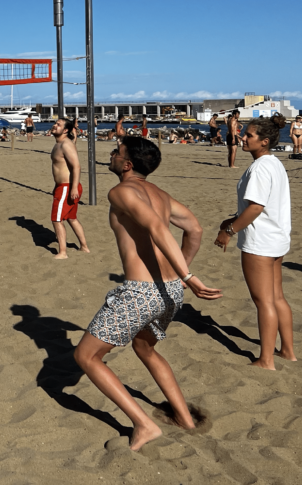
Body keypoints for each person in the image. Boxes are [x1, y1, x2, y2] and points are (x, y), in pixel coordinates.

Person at [74, 137, 221, 451]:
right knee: (145, 348)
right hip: (169, 293)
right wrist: (179, 276)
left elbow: (156, 226)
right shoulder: (160, 194)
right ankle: (184, 417)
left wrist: (188, 275)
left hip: (142, 292)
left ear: (127, 164)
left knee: (85, 356)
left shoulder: (121, 191)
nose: (111, 155)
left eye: (117, 152)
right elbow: (194, 229)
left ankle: (144, 424)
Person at [214, 115, 294, 370]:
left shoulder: (260, 167)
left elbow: (256, 208)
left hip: (261, 241)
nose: (243, 138)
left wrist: (229, 230)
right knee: (277, 297)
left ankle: (266, 360)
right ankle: (288, 352)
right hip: (277, 237)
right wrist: (233, 218)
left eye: (249, 135)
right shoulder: (274, 163)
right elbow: (260, 205)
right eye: (244, 134)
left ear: (265, 141)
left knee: (264, 302)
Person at [49, 117, 90, 259]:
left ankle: (63, 252)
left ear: (65, 130)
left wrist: (73, 188)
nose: (54, 126)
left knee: (56, 219)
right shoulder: (61, 143)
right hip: (63, 186)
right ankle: (84, 247)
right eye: (55, 123)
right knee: (71, 218)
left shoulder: (65, 144)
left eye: (58, 125)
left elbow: (76, 166)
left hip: (67, 187)